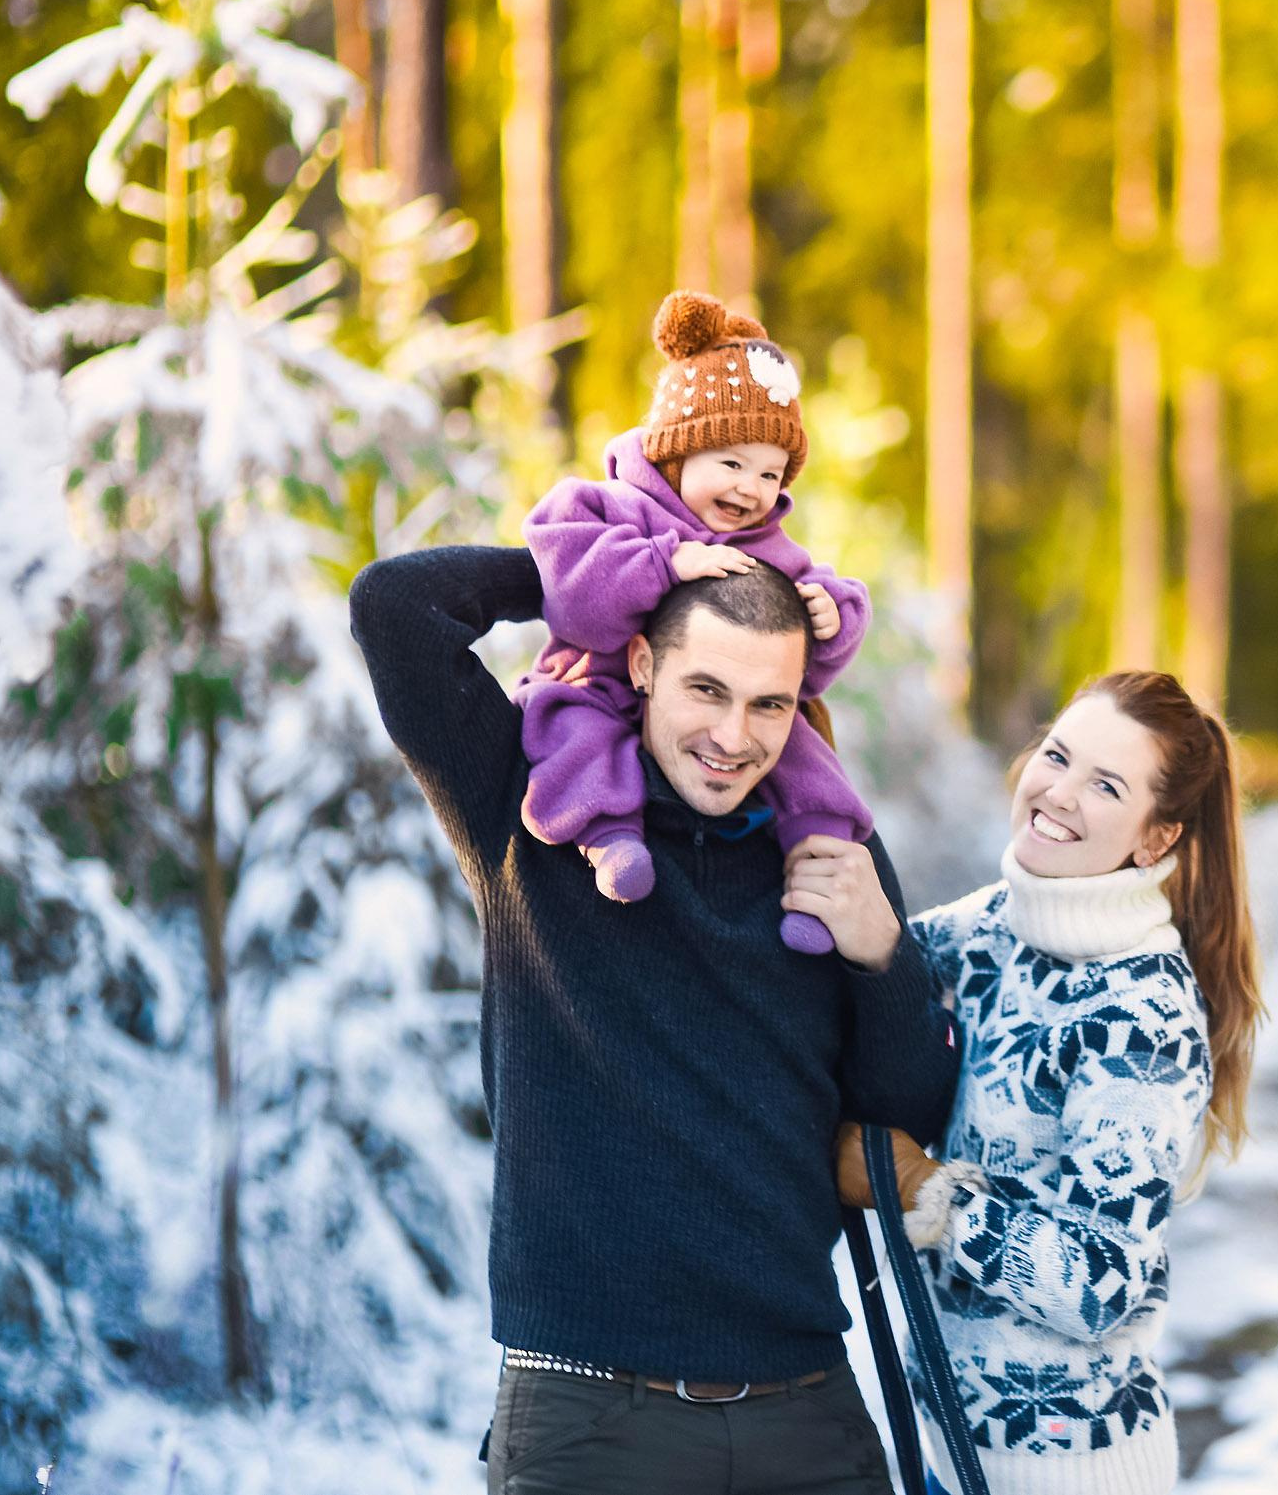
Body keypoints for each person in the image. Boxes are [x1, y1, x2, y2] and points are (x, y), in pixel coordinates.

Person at [349, 541, 957, 1495]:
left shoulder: (830, 853)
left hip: (805, 1408)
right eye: (706, 689)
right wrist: (627, 560)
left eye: (770, 703)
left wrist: (883, 953)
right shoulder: (530, 805)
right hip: (589, 1420)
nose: (735, 733)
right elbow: (395, 605)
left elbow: (903, 1116)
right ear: (641, 665)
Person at [840, 672, 1265, 1495]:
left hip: (1075, 1473)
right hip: (950, 1452)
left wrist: (922, 1186)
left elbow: (1101, 1281)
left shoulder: (1140, 1016)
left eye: (1105, 784)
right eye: (1058, 755)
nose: (1059, 792)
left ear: (1155, 836)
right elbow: (882, 972)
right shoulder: (1001, 922)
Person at [518, 289, 872, 941]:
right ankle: (608, 836)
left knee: (799, 737)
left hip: (705, 707)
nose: (749, 489)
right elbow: (568, 592)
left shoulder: (769, 545)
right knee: (573, 733)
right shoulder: (612, 507)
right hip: (598, 680)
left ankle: (816, 862)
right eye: (731, 463)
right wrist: (661, 564)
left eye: (770, 475)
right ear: (678, 453)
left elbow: (800, 673)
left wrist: (832, 616)